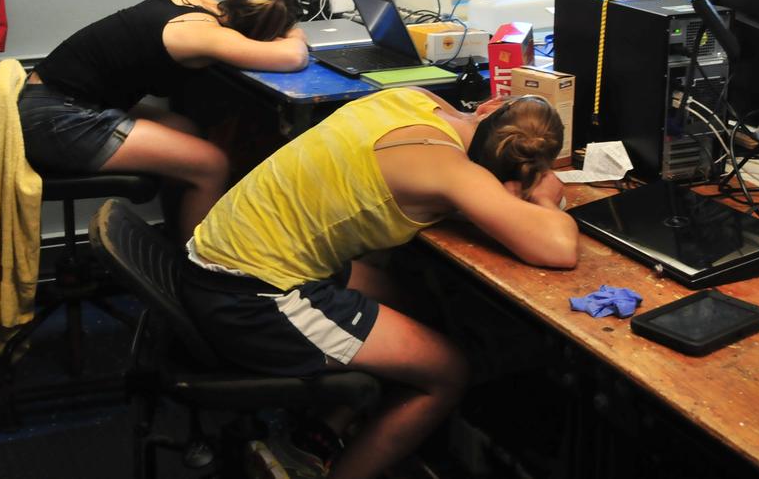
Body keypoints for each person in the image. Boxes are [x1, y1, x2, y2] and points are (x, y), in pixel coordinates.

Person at [181, 87, 580, 479]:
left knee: (415, 304)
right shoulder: (455, 174)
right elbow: (559, 248)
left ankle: (315, 437)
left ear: (489, 105)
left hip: (219, 251)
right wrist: (544, 198)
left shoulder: (413, 98)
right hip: (252, 298)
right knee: (447, 373)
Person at [18, 0, 307, 239]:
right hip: (55, 120)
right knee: (212, 166)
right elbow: (294, 57)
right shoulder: (211, 37)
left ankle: (179, 238)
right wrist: (294, 32)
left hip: (45, 99)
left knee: (185, 130)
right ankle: (200, 270)